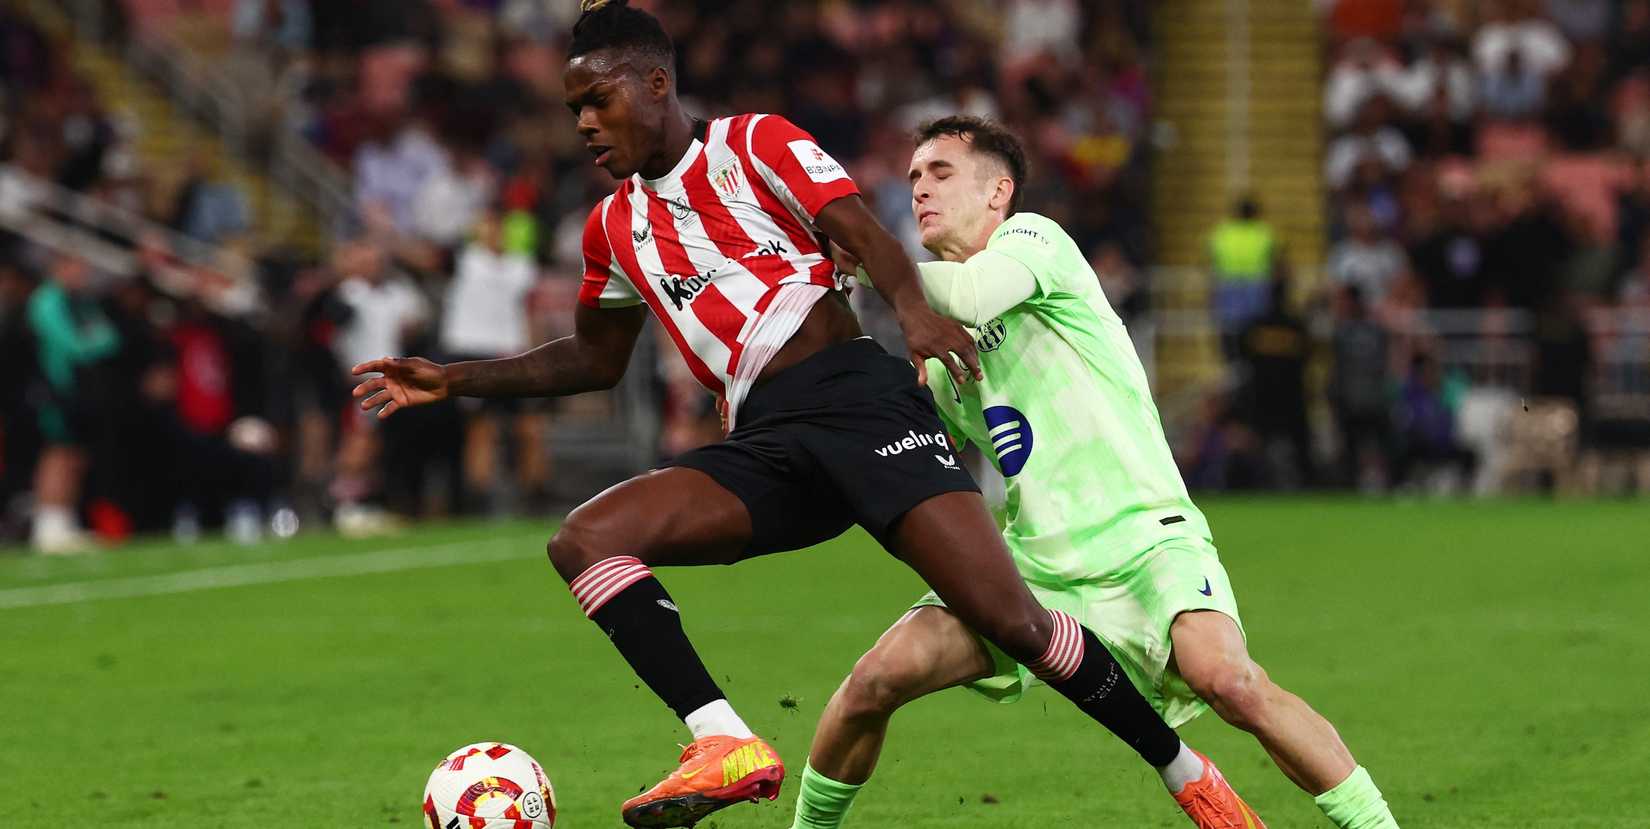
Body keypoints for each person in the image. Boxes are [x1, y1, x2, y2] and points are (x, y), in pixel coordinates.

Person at [352, 3, 1229, 827]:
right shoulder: (612, 229)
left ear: (655, 84)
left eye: (597, 98)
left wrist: (915, 313)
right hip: (765, 443)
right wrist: (456, 379)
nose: (583, 122)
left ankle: (1184, 771)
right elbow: (593, 357)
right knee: (583, 538)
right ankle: (723, 739)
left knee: (1016, 623)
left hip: (859, 401)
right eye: (574, 106)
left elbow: (862, 230)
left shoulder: (752, 143)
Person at [793, 116, 1400, 829]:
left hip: (1146, 536)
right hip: (1033, 567)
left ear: (999, 191)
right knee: (874, 680)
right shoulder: (942, 354)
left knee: (1229, 680)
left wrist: (868, 256)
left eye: (941, 172)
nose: (919, 188)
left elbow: (977, 295)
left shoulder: (1033, 241)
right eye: (914, 177)